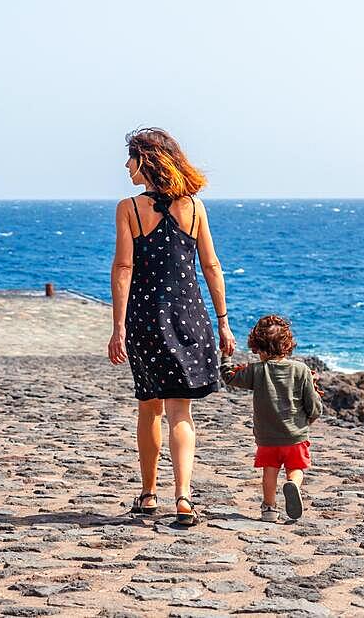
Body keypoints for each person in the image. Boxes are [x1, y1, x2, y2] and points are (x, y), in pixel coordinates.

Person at [109, 127, 235, 525]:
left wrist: (118, 327)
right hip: (190, 317)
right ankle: (183, 498)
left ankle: (148, 495)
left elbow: (124, 267)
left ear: (146, 160)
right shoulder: (195, 208)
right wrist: (224, 323)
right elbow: (211, 267)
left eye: (131, 158)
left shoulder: (129, 208)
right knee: (182, 413)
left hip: (146, 320)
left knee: (150, 408)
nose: (126, 165)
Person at [220, 314, 322, 522]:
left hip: (267, 438)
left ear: (257, 346)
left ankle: (269, 508)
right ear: (287, 344)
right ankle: (293, 484)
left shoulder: (257, 371)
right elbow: (313, 405)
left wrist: (226, 356)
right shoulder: (301, 370)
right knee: (296, 468)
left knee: (269, 472)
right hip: (295, 435)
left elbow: (229, 376)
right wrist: (309, 419)